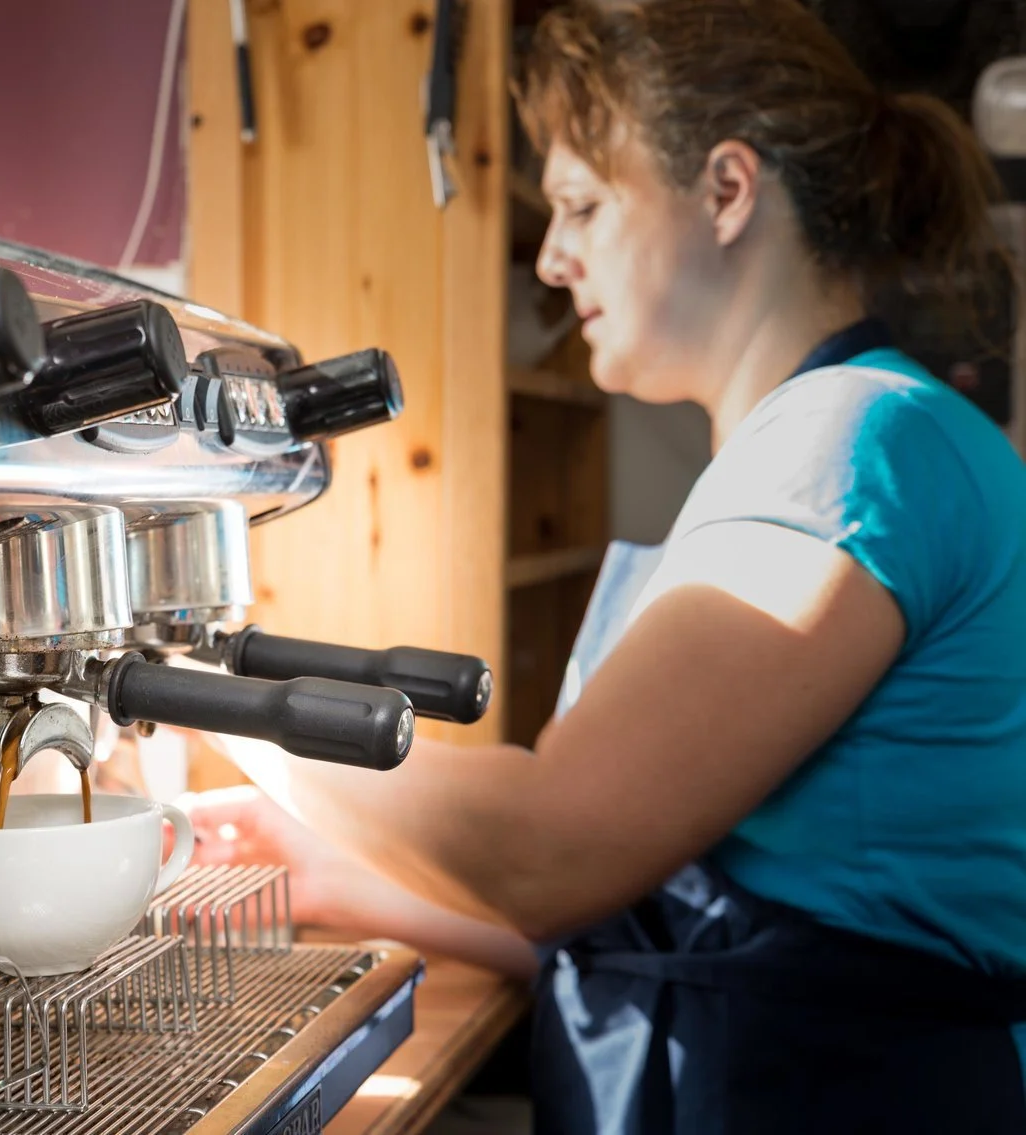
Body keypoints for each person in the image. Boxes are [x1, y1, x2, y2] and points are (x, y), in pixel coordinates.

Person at [172, 1, 1026, 1131]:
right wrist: (331, 870)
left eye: (580, 203)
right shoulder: (829, 441)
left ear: (728, 191)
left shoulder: (848, 448)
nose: (549, 254)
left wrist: (176, 680)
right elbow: (671, 900)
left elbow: (552, 846)